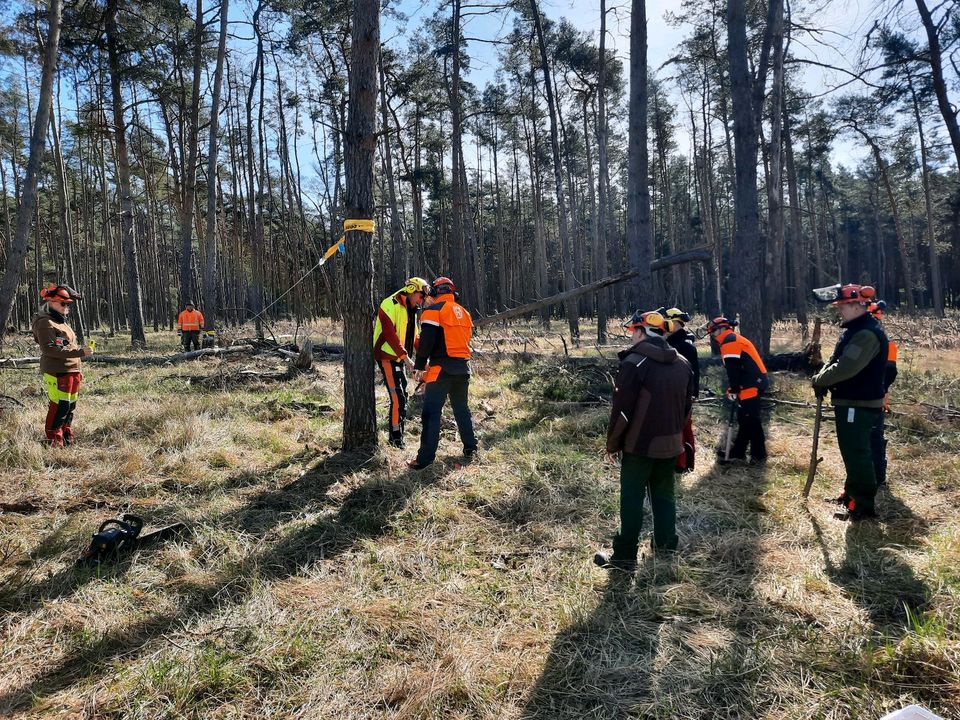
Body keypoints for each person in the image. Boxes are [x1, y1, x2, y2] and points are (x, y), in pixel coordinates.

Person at [594, 310, 694, 571]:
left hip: (639, 447)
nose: (631, 338)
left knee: (631, 500)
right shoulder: (683, 363)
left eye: (632, 332)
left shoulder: (634, 363)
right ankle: (665, 548)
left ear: (641, 332)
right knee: (664, 497)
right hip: (672, 445)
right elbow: (686, 409)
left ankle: (624, 557)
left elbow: (623, 412)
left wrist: (612, 445)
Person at [811, 283, 888, 521]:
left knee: (857, 452)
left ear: (858, 306)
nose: (840, 311)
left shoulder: (865, 333)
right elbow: (835, 359)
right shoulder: (854, 330)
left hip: (859, 402)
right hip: (852, 401)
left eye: (843, 307)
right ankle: (851, 495)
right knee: (851, 451)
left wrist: (820, 380)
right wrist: (822, 378)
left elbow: (847, 367)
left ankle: (863, 506)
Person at [408, 276, 477, 469]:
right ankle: (471, 448)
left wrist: (419, 366)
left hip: (441, 370)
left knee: (431, 413)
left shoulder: (433, 312)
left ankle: (424, 459)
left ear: (435, 292)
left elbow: (426, 344)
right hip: (463, 368)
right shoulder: (465, 313)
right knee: (462, 409)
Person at [32, 284, 93, 446]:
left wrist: (78, 364)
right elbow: (49, 350)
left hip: (72, 370)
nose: (66, 307)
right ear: (50, 302)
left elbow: (66, 346)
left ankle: (66, 434)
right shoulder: (45, 322)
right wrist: (80, 353)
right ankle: (53, 439)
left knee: (70, 405)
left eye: (68, 304)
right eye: (63, 303)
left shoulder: (61, 322)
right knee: (60, 405)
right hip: (56, 371)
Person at [373, 277, 430, 447]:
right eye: (421, 296)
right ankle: (396, 440)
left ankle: (398, 436)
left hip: (400, 358)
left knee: (402, 396)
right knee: (398, 398)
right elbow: (390, 335)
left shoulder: (412, 309)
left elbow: (415, 338)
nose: (422, 300)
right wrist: (406, 358)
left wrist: (425, 357)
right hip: (387, 356)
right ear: (412, 290)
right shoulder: (389, 304)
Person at [705, 316, 768, 464]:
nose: (713, 336)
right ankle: (738, 451)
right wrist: (734, 388)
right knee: (744, 418)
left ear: (721, 330)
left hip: (752, 384)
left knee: (751, 420)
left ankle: (759, 455)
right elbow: (737, 369)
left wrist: (734, 389)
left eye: (713, 332)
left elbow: (733, 371)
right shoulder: (730, 339)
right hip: (748, 382)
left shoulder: (730, 342)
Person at [661, 307, 699, 472]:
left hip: (681, 394)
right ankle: (683, 463)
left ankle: (681, 464)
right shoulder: (677, 342)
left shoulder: (682, 345)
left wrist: (691, 394)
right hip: (679, 393)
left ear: (674, 322)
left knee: (681, 428)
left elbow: (692, 373)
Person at [867, 300, 897, 486]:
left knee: (875, 437)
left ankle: (878, 477)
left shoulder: (880, 342)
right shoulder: (883, 340)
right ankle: (877, 476)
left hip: (875, 397)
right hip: (877, 396)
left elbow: (890, 373)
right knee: (875, 436)